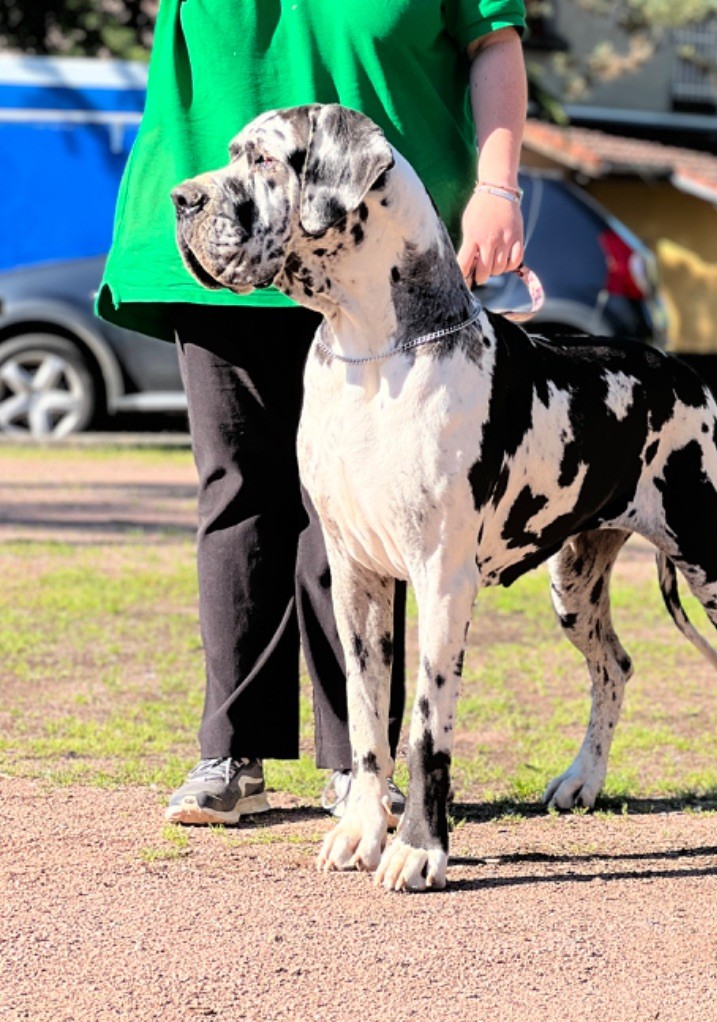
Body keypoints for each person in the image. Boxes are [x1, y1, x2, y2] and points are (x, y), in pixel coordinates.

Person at [97, 1, 528, 825]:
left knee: (370, 501)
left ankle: (357, 766)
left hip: (376, 245)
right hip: (229, 221)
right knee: (240, 489)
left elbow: (493, 41)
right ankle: (231, 753)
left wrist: (496, 186)